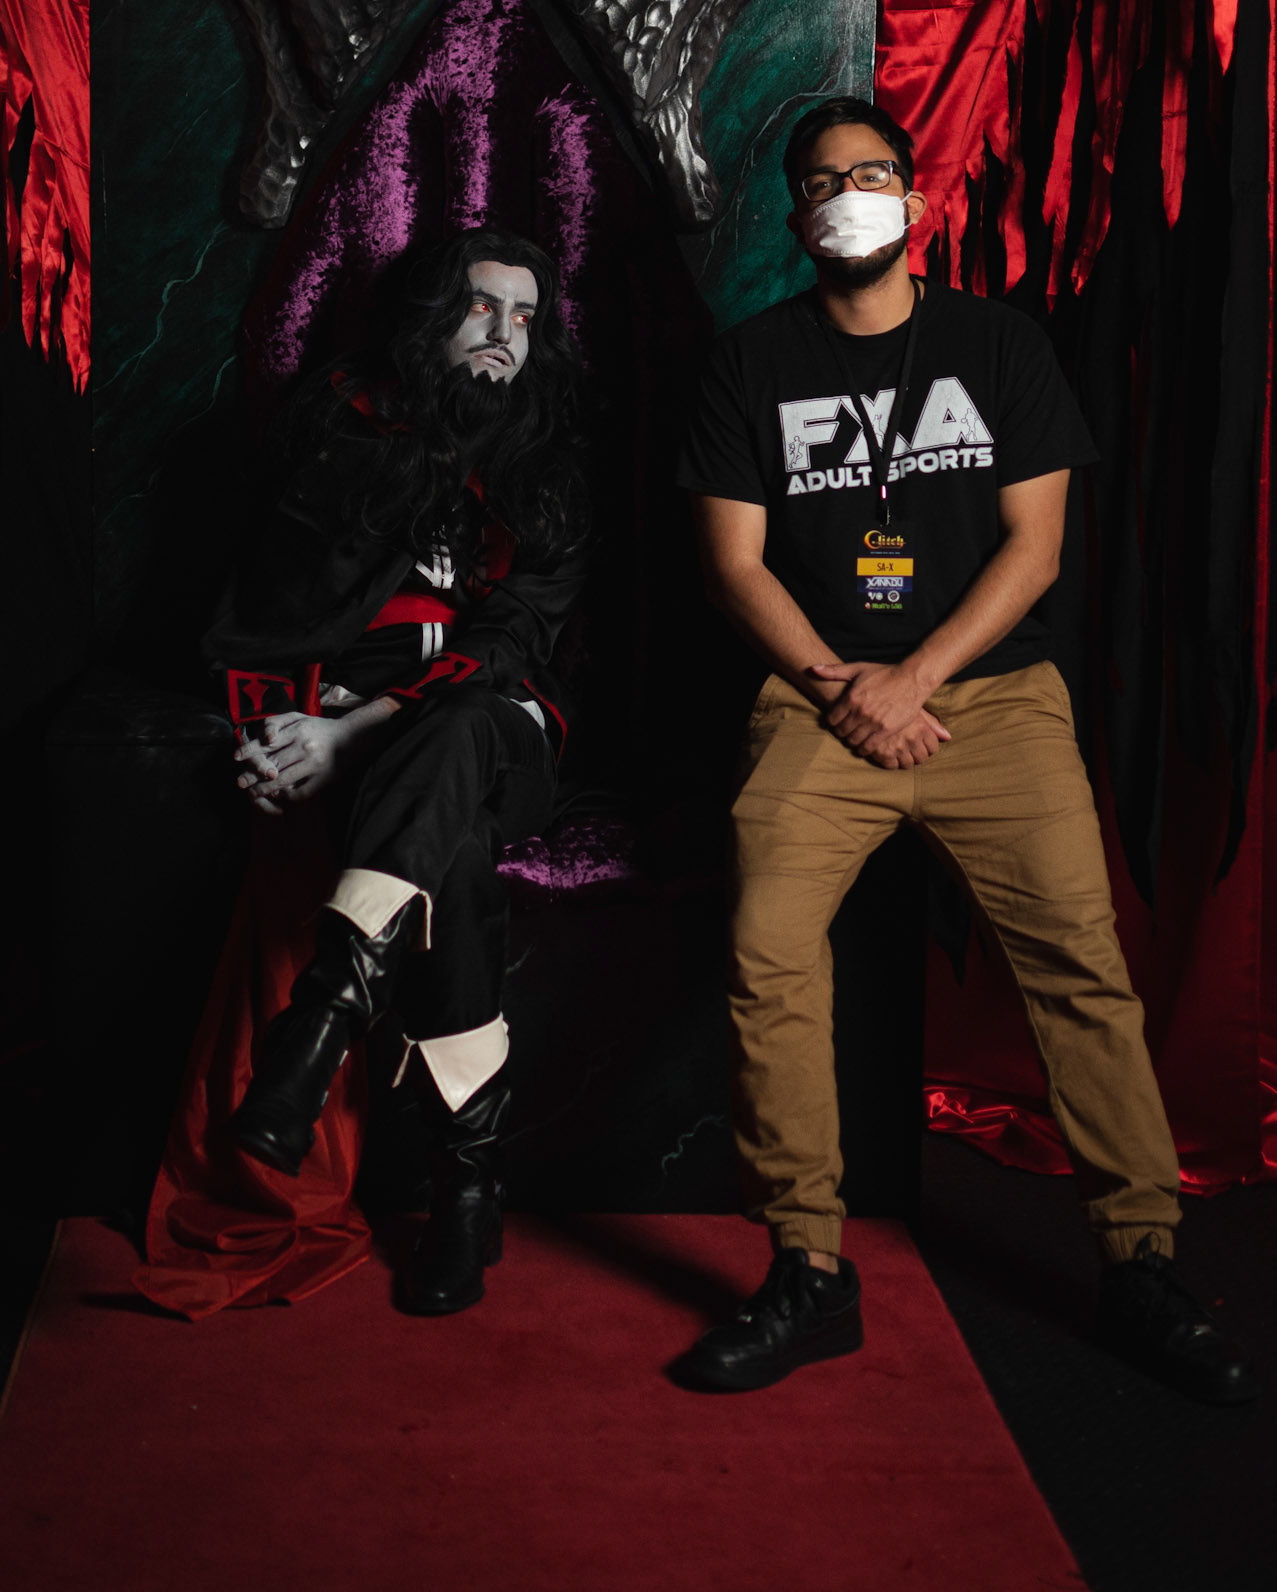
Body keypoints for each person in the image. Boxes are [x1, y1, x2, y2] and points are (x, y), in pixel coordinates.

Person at [674, 97, 1257, 1403]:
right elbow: (732, 565)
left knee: (1080, 962)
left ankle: (1141, 1262)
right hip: (818, 696)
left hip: (988, 698)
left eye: (871, 172)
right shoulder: (750, 363)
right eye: (823, 181)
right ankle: (807, 1265)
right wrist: (845, 687)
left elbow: (1035, 549)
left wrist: (914, 678)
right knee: (767, 949)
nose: (849, 194)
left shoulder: (997, 344)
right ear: (796, 218)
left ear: (916, 198)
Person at [211, 227, 587, 1315]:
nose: (504, 332)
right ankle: (466, 1188)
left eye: (525, 316)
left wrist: (352, 736)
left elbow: (513, 641)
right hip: (371, 731)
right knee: (452, 860)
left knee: (465, 721)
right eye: (482, 305)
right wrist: (289, 727)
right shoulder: (347, 422)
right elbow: (269, 602)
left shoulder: (548, 461)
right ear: (432, 315)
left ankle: (321, 1020)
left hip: (498, 728)